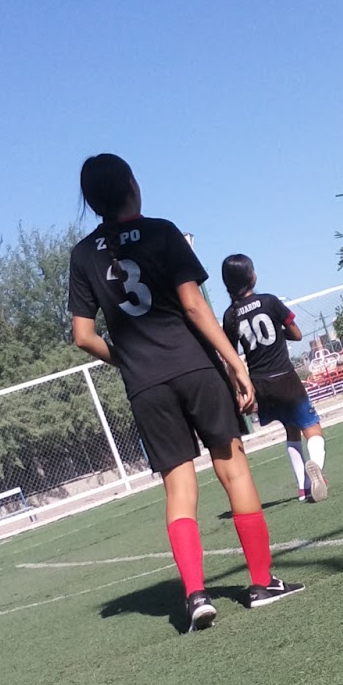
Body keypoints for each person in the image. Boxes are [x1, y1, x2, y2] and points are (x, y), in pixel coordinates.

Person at [68, 155, 303, 632]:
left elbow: (83, 337)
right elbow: (194, 305)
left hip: (145, 385)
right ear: (132, 185)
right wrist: (235, 363)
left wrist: (128, 360)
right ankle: (262, 583)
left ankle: (196, 595)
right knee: (232, 468)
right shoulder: (161, 231)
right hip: (195, 368)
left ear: (91, 202)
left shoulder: (83, 254)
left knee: (178, 487)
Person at [220, 255, 329, 504]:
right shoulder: (269, 301)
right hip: (285, 377)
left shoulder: (230, 316)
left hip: (260, 384)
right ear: (252, 276)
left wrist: (238, 391)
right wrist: (280, 333)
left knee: (290, 430)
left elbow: (229, 358)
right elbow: (297, 334)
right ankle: (316, 468)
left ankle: (303, 488)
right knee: (312, 428)